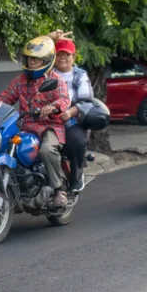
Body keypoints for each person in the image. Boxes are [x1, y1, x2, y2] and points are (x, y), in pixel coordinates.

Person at [0, 36, 71, 207]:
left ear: (46, 60)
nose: (31, 63)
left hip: (49, 126)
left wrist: (53, 107)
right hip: (25, 125)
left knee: (46, 150)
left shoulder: (55, 79)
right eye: (30, 59)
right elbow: (5, 98)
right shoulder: (20, 80)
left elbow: (64, 99)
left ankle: (59, 190)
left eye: (36, 60)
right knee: (5, 146)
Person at [53, 38, 93, 192]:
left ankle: (76, 175)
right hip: (47, 120)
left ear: (73, 57)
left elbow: (86, 101)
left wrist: (70, 112)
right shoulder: (47, 73)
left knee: (77, 141)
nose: (63, 58)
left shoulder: (80, 75)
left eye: (66, 54)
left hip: (71, 120)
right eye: (59, 54)